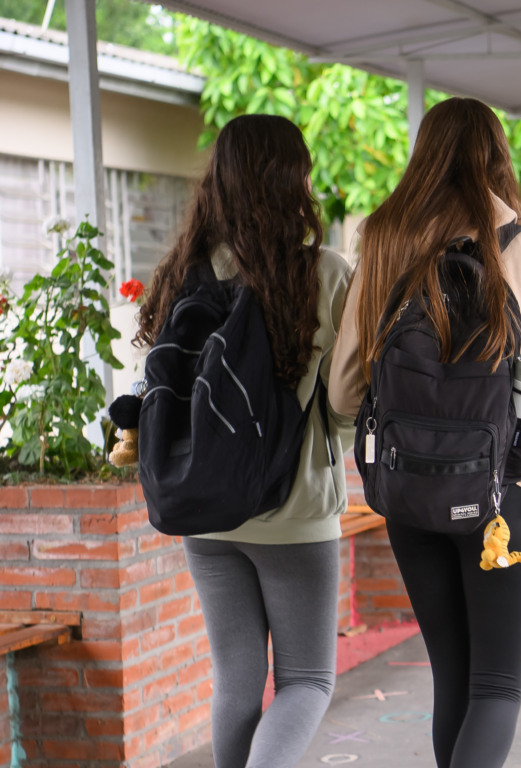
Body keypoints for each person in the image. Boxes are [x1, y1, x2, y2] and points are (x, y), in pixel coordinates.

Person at [328, 96, 521, 768]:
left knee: (453, 678)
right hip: (502, 495)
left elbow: (342, 391)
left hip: (409, 492)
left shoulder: (383, 239)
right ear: (497, 158)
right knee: (497, 689)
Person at [134, 114, 354, 768]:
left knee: (235, 681)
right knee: (307, 680)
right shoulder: (324, 274)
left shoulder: (183, 274)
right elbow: (345, 403)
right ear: (290, 180)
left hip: (205, 509)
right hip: (293, 513)